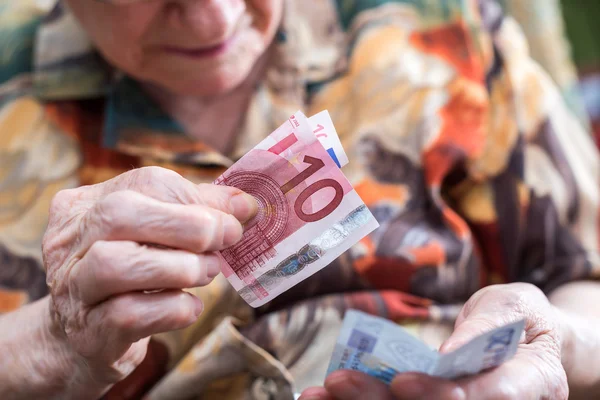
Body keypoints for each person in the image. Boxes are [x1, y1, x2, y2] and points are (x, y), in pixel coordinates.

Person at [0, 0, 598, 399]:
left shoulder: (438, 30)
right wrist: (53, 343)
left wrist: (555, 345)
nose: (215, 18)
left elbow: (586, 282)